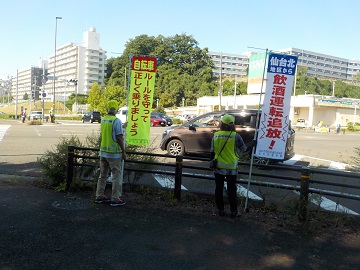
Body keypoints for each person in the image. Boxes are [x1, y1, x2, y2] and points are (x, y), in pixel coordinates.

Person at [210, 114, 250, 218]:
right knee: (232, 190)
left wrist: (212, 162)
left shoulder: (216, 135)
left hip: (218, 167)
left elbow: (212, 152)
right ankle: (233, 212)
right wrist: (254, 144)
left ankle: (220, 210)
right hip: (232, 168)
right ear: (233, 124)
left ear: (222, 124)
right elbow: (244, 149)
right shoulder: (235, 136)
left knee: (218, 189)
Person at [95, 100, 127, 206]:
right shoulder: (116, 121)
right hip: (114, 153)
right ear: (116, 109)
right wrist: (123, 151)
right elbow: (119, 137)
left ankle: (99, 196)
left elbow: (110, 131)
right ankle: (115, 199)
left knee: (102, 175)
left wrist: (122, 126)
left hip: (103, 152)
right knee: (116, 176)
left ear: (108, 109)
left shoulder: (104, 120)